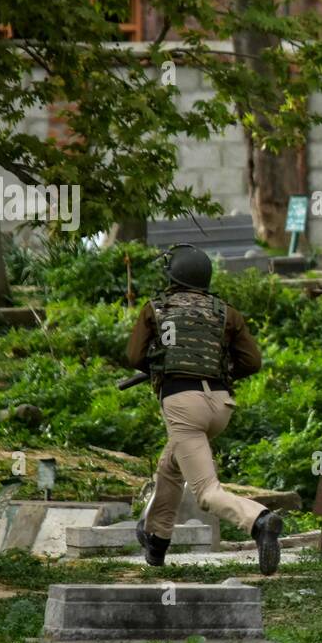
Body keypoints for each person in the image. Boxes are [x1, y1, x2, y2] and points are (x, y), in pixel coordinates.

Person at [126, 243, 282, 573]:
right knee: (170, 467)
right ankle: (157, 539)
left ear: (173, 276)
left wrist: (161, 366)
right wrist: (219, 370)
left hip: (183, 405)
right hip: (220, 404)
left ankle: (259, 520)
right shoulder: (225, 312)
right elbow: (252, 361)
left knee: (206, 493)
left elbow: (135, 357)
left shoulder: (155, 309)